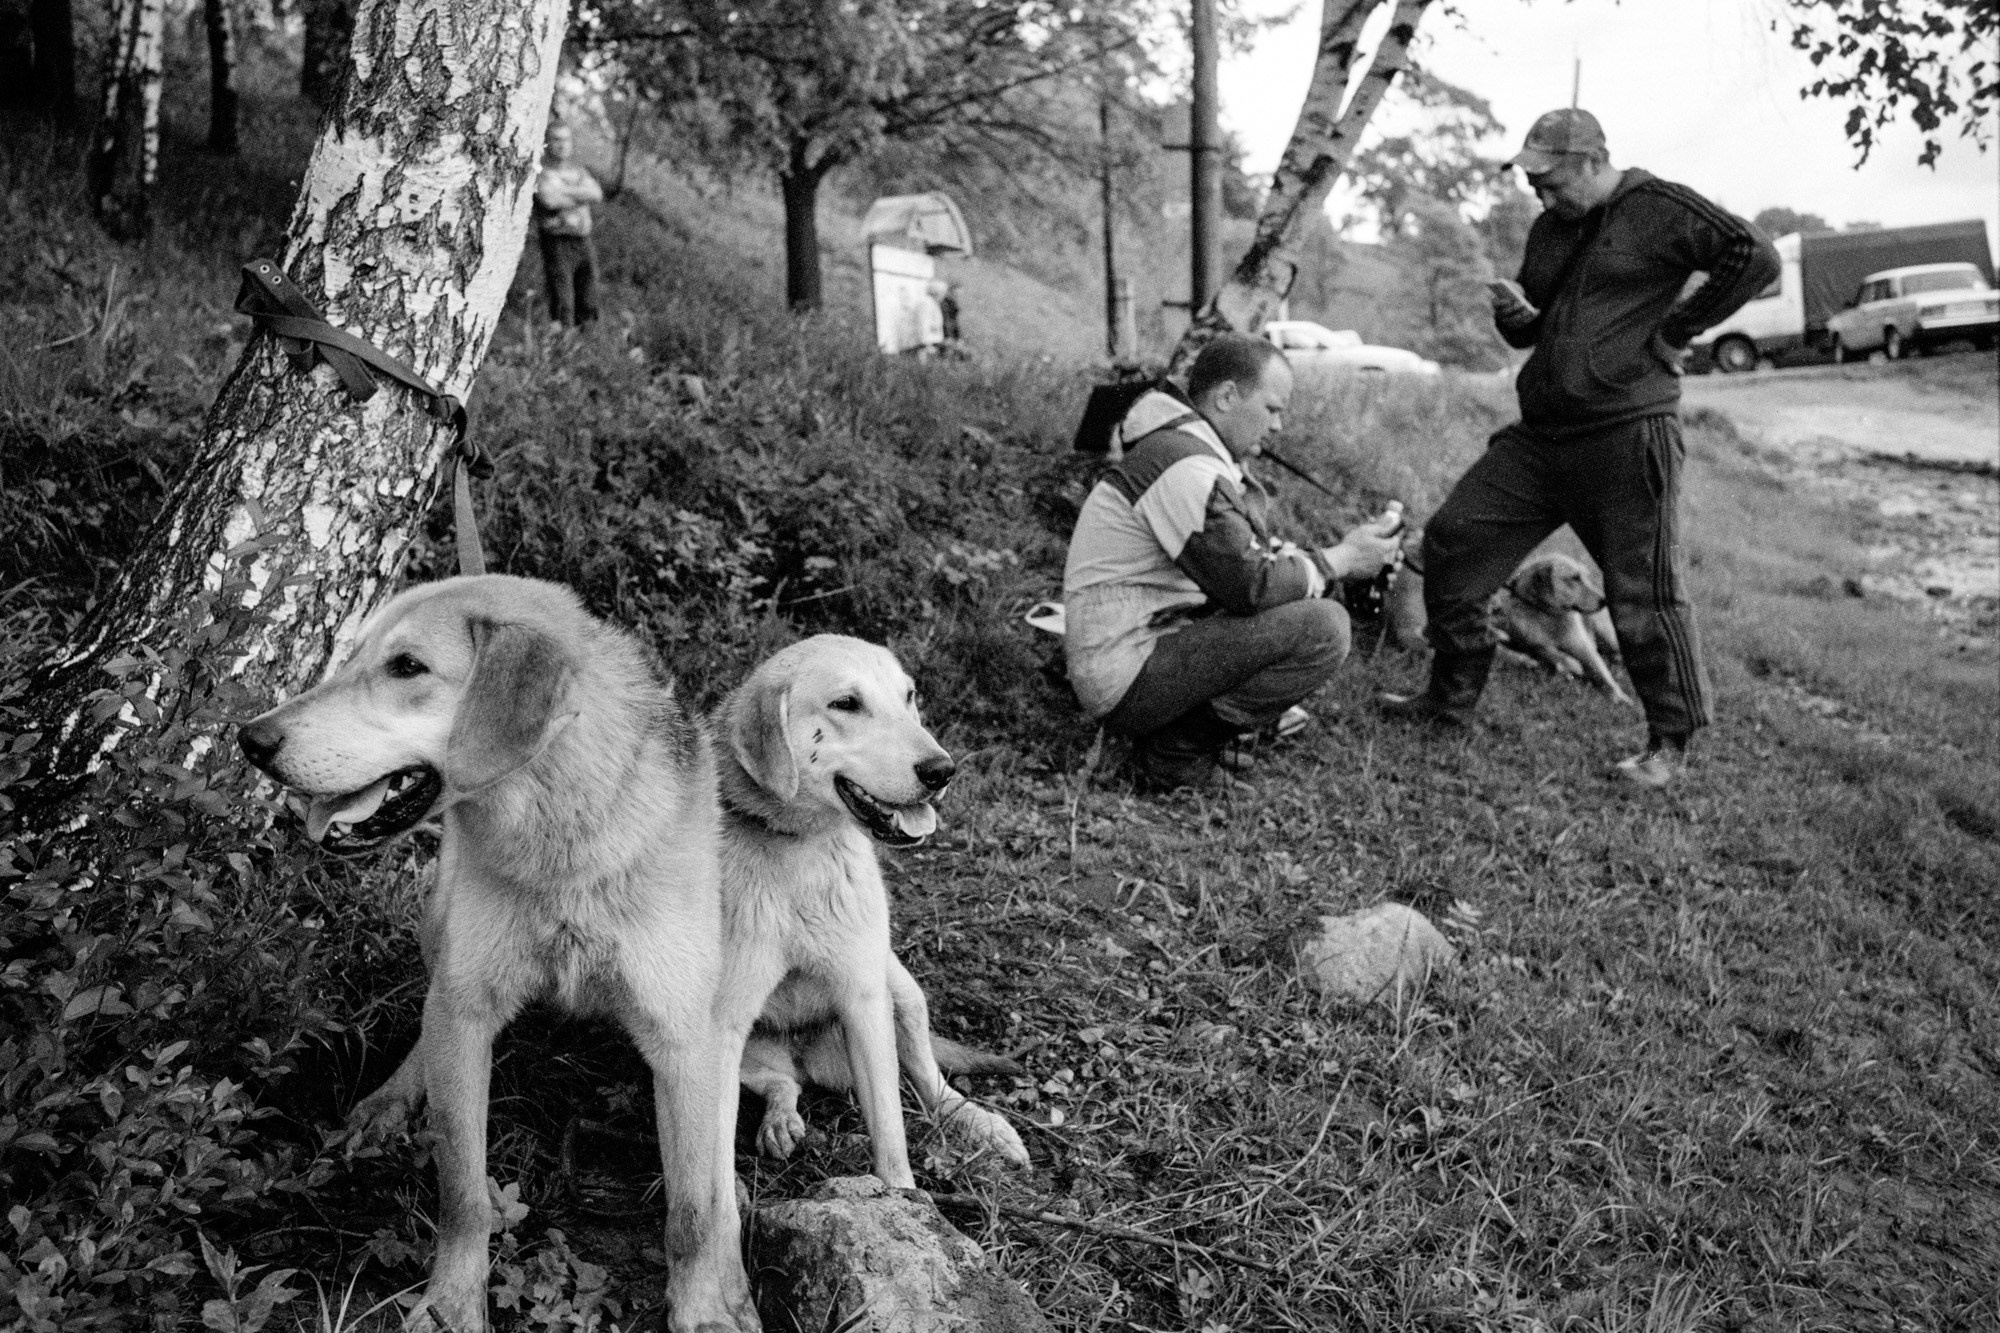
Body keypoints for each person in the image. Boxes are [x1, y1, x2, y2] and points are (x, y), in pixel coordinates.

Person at [1378, 108, 1780, 789]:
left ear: (1594, 161)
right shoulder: (1550, 228)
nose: (1542, 195)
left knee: (1642, 588)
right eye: (1534, 183)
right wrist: (1517, 320)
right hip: (1542, 437)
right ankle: (1449, 699)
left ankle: (1668, 744)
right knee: (1453, 537)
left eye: (1553, 181)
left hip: (1628, 432)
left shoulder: (1658, 207)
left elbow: (1756, 257)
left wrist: (1676, 329)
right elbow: (1542, 326)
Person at [1063, 333, 1403, 791]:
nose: (1278, 426)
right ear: (1226, 397)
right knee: (1323, 629)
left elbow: (1247, 559)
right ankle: (1174, 755)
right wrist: (1339, 560)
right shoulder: (1186, 467)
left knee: (1300, 608)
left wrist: (1337, 563)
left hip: (1136, 650)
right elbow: (1251, 585)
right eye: (1272, 409)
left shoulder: (1183, 452)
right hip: (1123, 676)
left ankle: (1183, 736)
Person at [534, 122, 603, 327]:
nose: (562, 145)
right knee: (563, 301)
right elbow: (549, 199)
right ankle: (561, 348)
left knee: (589, 298)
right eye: (556, 139)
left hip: (583, 240)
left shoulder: (579, 171)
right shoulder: (541, 171)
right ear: (546, 142)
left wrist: (564, 191)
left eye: (566, 139)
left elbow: (596, 194)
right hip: (557, 243)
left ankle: (586, 350)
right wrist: (580, 195)